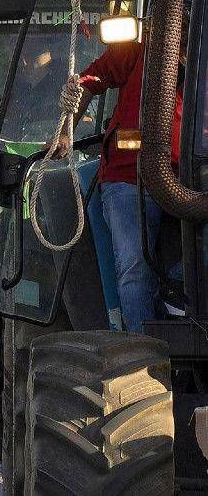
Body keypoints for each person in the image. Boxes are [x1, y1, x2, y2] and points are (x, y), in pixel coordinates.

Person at [57, 24, 186, 333]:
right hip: (129, 177)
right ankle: (140, 345)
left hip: (192, 180)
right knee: (133, 265)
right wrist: (65, 133)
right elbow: (88, 82)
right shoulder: (137, 51)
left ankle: (177, 296)